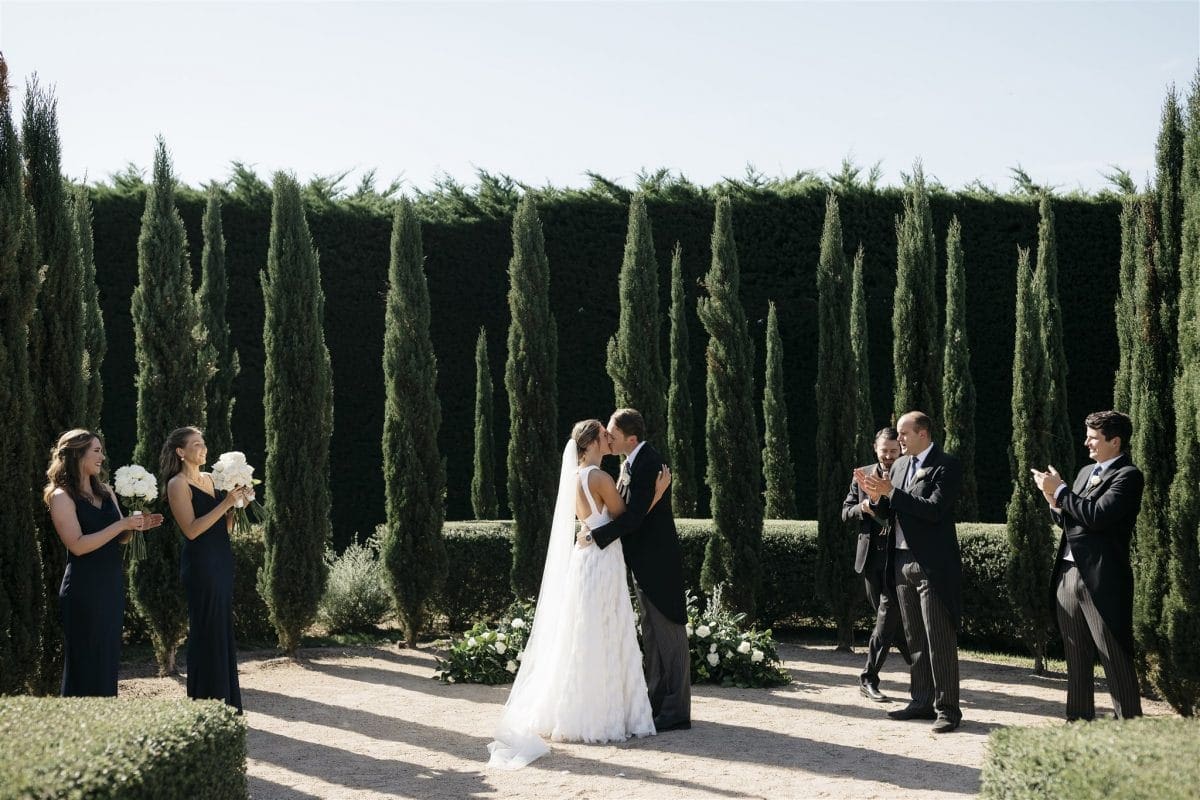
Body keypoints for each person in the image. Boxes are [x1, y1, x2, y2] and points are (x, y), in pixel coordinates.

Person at [488, 420, 670, 769]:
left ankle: (576, 711)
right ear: (591, 442)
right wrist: (657, 494)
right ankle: (603, 715)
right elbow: (627, 520)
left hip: (585, 558)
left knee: (581, 633)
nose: (609, 437)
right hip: (603, 560)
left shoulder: (576, 478)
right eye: (604, 434)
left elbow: (597, 522)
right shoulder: (599, 478)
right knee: (604, 630)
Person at [580, 408, 691, 733]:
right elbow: (634, 512)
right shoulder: (629, 464)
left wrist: (594, 535)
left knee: (669, 633)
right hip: (642, 562)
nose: (608, 440)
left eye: (612, 436)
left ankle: (676, 711)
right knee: (653, 635)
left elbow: (633, 519)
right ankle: (657, 705)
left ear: (631, 438)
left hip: (658, 563)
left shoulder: (649, 463)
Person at [855, 410, 963, 733]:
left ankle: (948, 709)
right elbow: (890, 512)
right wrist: (875, 499)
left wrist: (891, 493)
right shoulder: (900, 466)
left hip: (932, 565)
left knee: (938, 638)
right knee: (915, 636)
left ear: (923, 434)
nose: (898, 440)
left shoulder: (946, 466)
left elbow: (933, 510)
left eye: (904, 434)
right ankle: (920, 701)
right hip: (900, 562)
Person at [1032, 410, 1143, 721]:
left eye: (1093, 438)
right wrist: (1052, 499)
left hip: (1101, 578)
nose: (1086, 443)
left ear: (1115, 441)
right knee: (1075, 654)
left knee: (1114, 656)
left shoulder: (1128, 476)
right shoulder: (1083, 473)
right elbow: (1071, 519)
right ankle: (1079, 721)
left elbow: (1097, 516)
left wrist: (1063, 492)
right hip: (1067, 574)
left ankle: (1131, 729)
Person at [45, 429, 164, 696]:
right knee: (85, 661)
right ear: (77, 453)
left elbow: (119, 537)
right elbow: (77, 544)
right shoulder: (61, 496)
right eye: (96, 450)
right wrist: (122, 524)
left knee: (107, 659)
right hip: (83, 588)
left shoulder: (107, 490)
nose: (102, 456)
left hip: (110, 585)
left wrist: (136, 526)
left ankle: (106, 723)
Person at [164, 427, 249, 713]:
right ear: (181, 451)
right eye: (196, 444)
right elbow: (191, 530)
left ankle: (226, 701)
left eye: (203, 444)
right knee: (206, 630)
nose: (203, 449)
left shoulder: (212, 479)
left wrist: (237, 505)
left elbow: (224, 527)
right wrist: (225, 502)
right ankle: (205, 701)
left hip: (221, 559)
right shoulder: (177, 484)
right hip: (200, 565)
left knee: (221, 629)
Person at [842, 426, 910, 702]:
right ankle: (922, 669)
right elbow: (846, 512)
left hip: (898, 557)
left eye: (894, 451)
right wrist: (864, 507)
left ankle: (868, 677)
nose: (889, 457)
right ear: (876, 449)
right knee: (889, 621)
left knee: (886, 615)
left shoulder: (907, 473)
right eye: (885, 452)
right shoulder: (862, 473)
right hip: (870, 559)